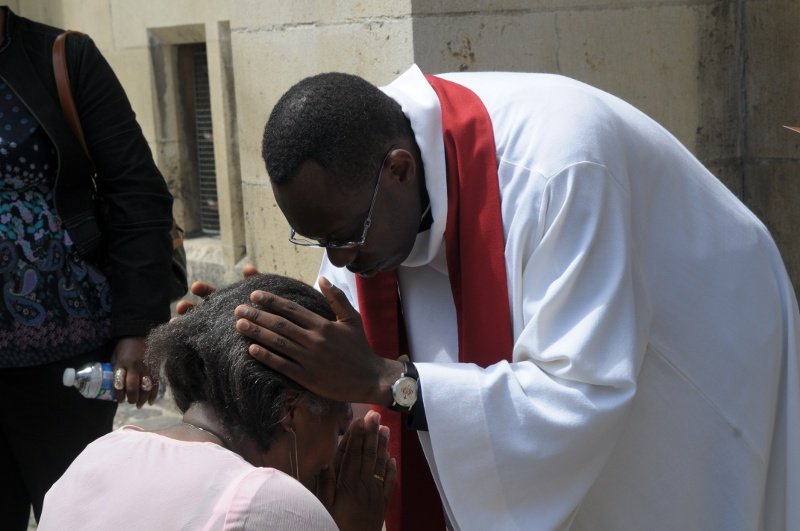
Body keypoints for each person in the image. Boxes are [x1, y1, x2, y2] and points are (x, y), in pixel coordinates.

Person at [233, 66, 800, 531]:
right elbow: (342, 363)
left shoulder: (562, 168)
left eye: (345, 238)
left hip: (693, 356)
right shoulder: (361, 189)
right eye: (321, 242)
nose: (341, 259)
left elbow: (579, 395)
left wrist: (391, 381)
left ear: (401, 171)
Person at [39, 273, 396, 531]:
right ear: (291, 410)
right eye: (338, 428)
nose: (335, 456)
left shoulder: (98, 454)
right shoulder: (270, 502)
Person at [0, 6, 174, 527]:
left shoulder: (64, 57)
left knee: (78, 517)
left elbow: (137, 193)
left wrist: (138, 327)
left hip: (66, 367)